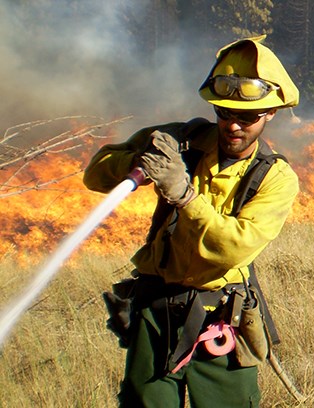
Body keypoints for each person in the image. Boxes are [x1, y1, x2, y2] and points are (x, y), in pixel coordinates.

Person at [83, 35, 300, 406]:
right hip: (155, 312)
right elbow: (96, 175)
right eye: (224, 113)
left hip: (220, 324)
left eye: (246, 117)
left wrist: (185, 196)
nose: (233, 126)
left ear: (270, 114)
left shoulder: (277, 178)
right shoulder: (180, 142)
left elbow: (232, 247)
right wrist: (139, 163)